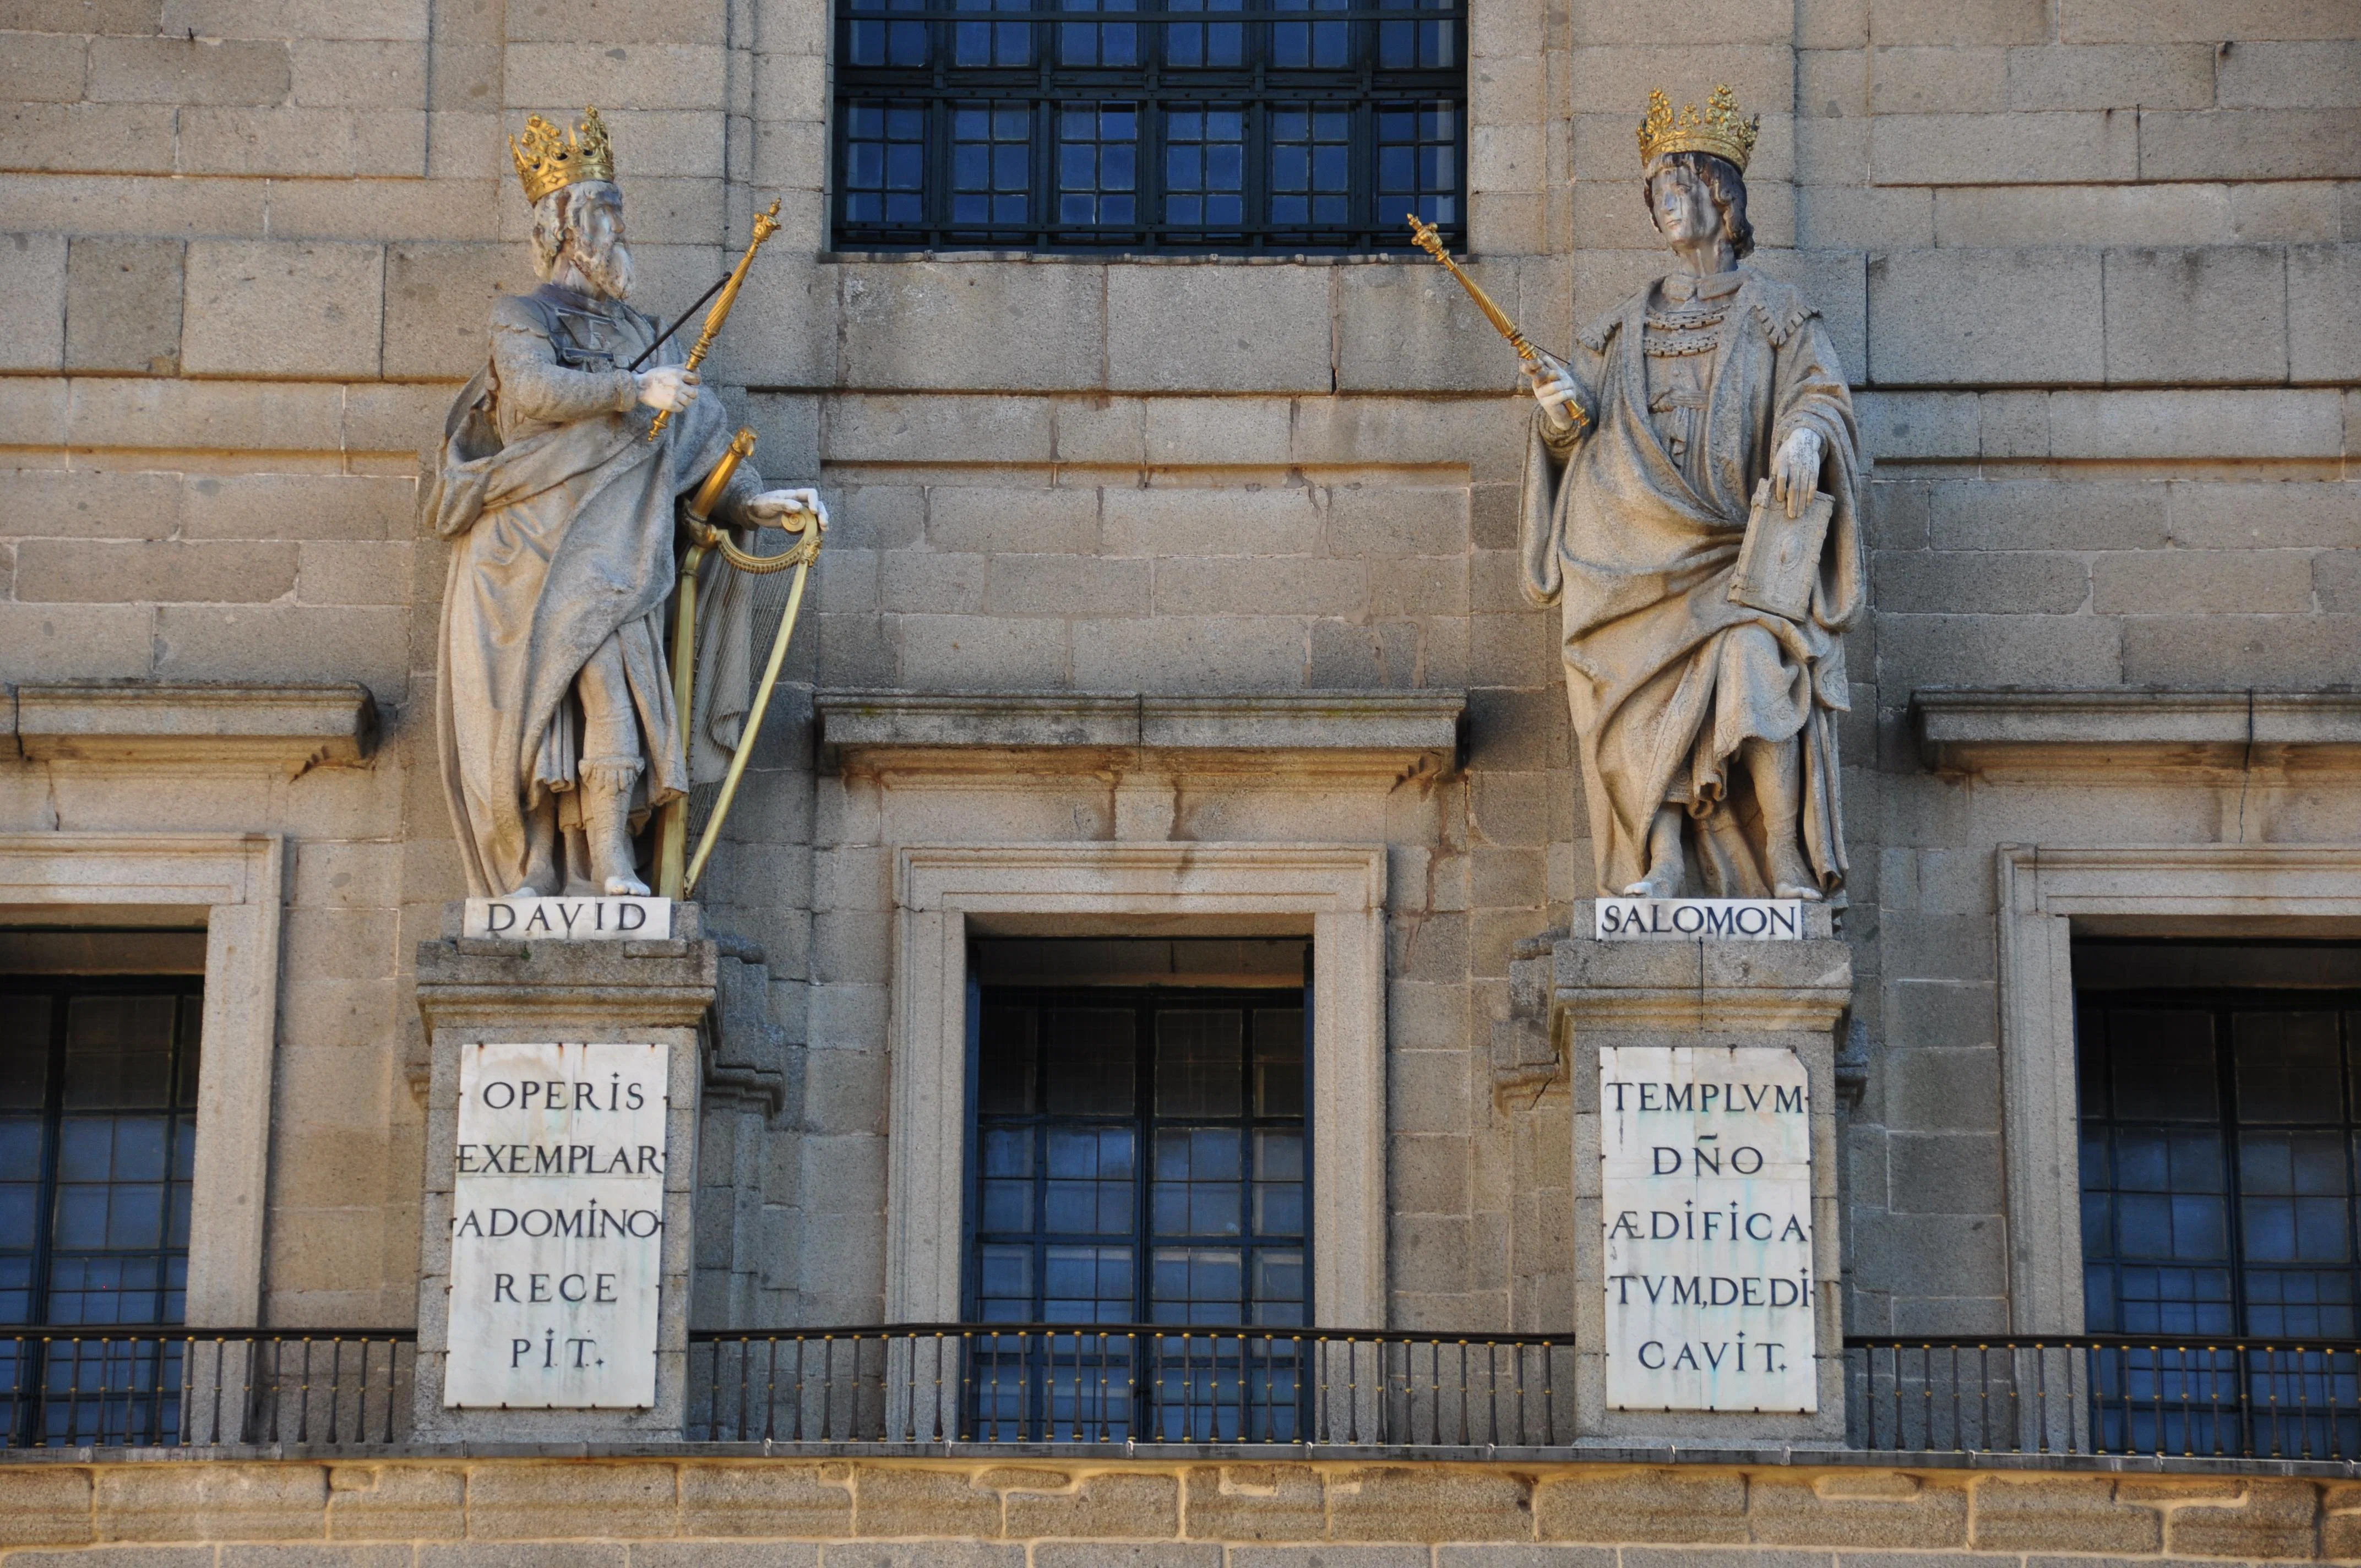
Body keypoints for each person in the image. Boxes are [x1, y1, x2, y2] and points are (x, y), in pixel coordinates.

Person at [423, 107, 827, 899]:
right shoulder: (525, 315)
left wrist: (754, 502)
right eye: (605, 211)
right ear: (568, 226)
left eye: (616, 209)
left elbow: (700, 437)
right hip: (524, 545)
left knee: (615, 685)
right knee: (529, 713)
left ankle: (609, 856)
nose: (619, 227)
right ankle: (535, 864)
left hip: (617, 544)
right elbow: (536, 394)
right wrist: (632, 388)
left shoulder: (650, 331)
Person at [1517, 86, 1865, 903]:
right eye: (1658, 195)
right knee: (1641, 699)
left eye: (1682, 189)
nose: (1668, 206)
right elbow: (1579, 435)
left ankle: (1783, 857)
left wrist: (1808, 436)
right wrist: (1556, 413)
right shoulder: (1616, 329)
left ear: (1722, 197)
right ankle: (1663, 861)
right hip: (1634, 558)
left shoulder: (1780, 314)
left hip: (1738, 551)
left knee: (1759, 670)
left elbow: (1821, 396)